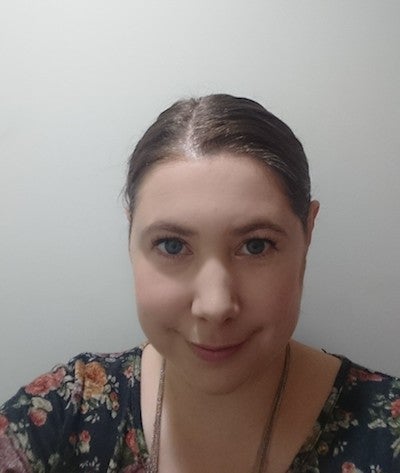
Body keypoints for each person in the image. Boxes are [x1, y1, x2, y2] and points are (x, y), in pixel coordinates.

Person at [1, 94, 399, 473]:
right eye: (172, 245)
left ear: (307, 233)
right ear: (130, 236)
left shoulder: (388, 433)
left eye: (256, 245)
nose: (215, 306)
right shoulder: (65, 416)